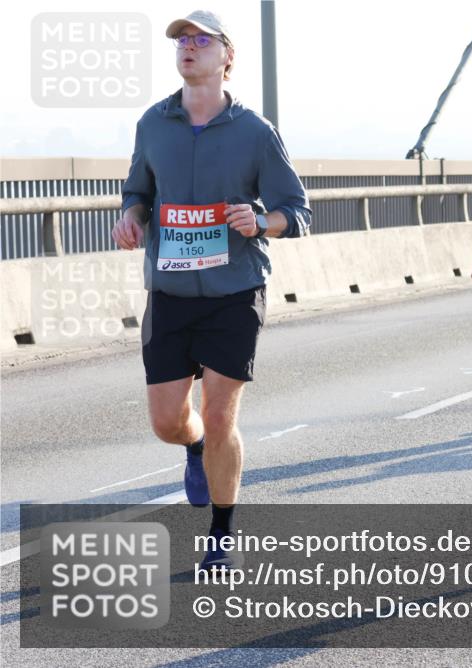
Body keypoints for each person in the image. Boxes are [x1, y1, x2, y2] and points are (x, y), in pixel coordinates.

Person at [112, 10, 311, 568]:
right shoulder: (153, 123)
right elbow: (137, 191)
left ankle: (222, 533)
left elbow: (297, 211)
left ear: (228, 57)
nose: (188, 48)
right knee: (167, 422)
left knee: (221, 414)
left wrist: (260, 221)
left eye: (202, 40)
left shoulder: (255, 131)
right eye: (181, 40)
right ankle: (193, 448)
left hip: (235, 291)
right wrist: (130, 218)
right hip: (170, 294)